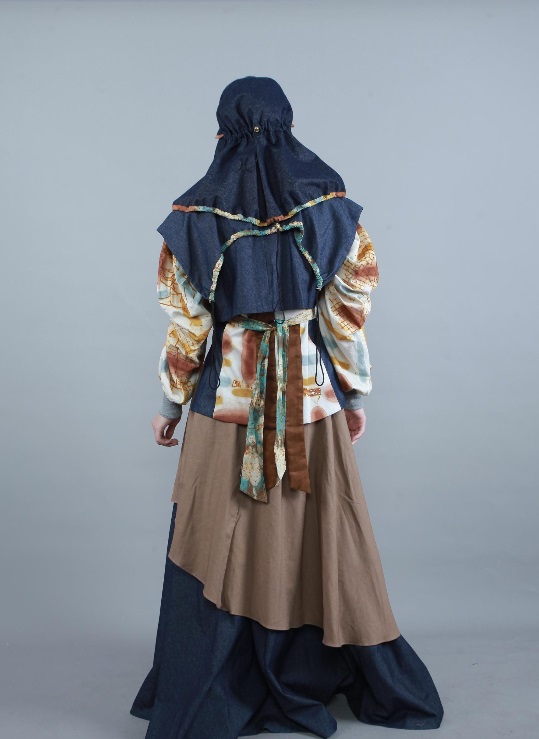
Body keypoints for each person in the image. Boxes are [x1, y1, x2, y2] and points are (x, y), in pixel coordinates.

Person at [130, 76, 444, 738]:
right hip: (310, 401)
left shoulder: (193, 219)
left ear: (222, 130)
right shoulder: (331, 210)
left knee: (216, 534)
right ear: (289, 125)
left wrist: (169, 403)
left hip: (225, 404)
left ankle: (216, 681)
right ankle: (304, 666)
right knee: (311, 533)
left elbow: (187, 326)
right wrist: (352, 393)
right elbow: (346, 312)